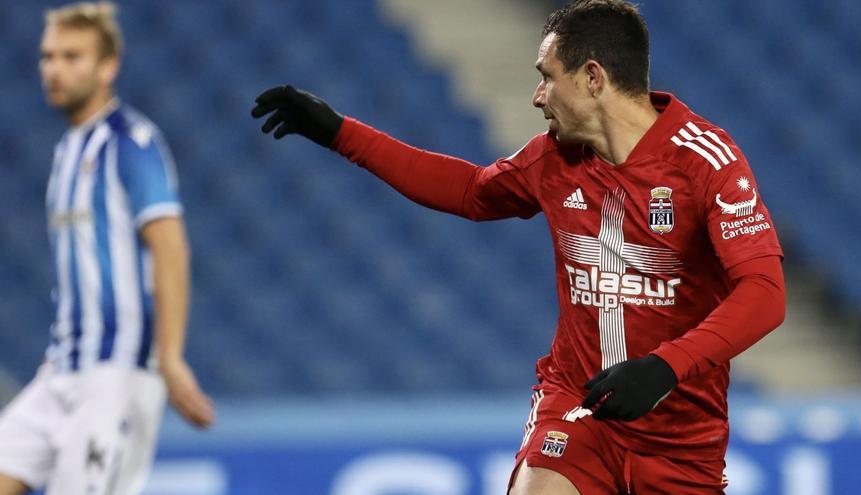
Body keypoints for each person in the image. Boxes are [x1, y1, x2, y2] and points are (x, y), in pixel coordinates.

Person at [251, 0, 785, 493]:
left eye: (546, 78)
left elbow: (764, 292)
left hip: (680, 440)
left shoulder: (705, 161)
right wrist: (341, 134)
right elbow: (470, 191)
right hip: (578, 408)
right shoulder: (555, 159)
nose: (536, 97)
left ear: (592, 78)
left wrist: (666, 367)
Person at [0, 2, 215, 494]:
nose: (55, 69)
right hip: (61, 369)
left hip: (115, 376)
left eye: (72, 57)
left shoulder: (132, 144)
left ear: (107, 68)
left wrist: (171, 355)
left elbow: (170, 246)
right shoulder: (66, 152)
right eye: (48, 56)